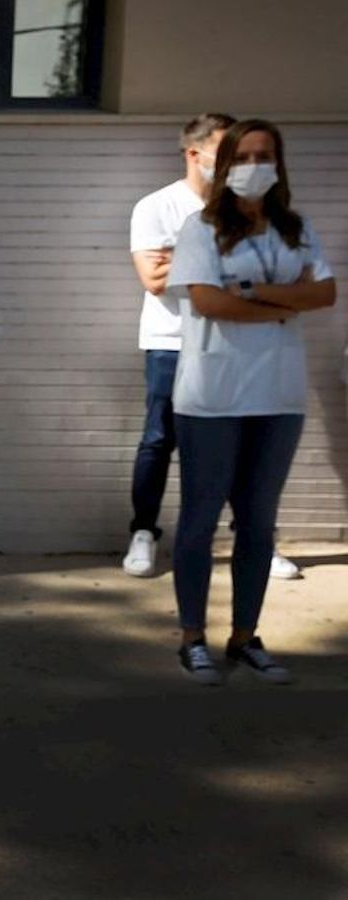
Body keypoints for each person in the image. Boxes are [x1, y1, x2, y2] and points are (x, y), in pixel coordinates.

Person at [165, 118, 335, 686]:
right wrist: (283, 303)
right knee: (199, 520)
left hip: (277, 395)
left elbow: (325, 292)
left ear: (279, 163)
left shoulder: (297, 228)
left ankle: (244, 637)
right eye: (243, 156)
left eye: (265, 155)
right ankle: (192, 637)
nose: (254, 165)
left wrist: (250, 291)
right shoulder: (201, 228)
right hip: (213, 396)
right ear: (225, 164)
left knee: (259, 524)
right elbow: (209, 303)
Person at [122, 113, 233, 578]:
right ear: (195, 153)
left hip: (233, 339)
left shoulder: (249, 211)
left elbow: (271, 277)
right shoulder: (156, 206)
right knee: (159, 438)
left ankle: (252, 536)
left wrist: (182, 260)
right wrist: (223, 259)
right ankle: (143, 533)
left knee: (234, 441)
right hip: (171, 342)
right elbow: (153, 279)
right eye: (226, 152)